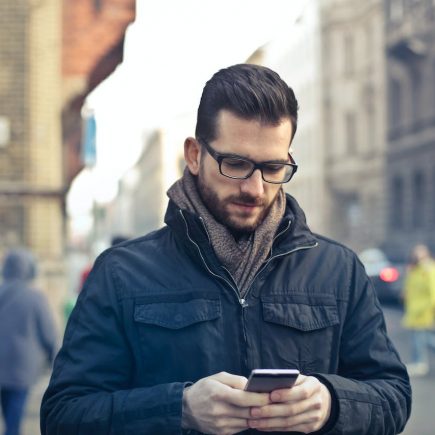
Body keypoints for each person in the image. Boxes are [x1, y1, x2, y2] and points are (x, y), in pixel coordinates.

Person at [40, 64, 411, 434]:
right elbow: (63, 416)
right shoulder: (120, 273)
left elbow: (394, 396)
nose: (255, 187)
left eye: (273, 167)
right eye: (235, 164)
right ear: (194, 154)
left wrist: (332, 403)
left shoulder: (339, 269)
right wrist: (179, 408)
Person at [0, 248, 57, 435]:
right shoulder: (35, 298)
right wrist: (54, 358)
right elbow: (48, 332)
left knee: (7, 407)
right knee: (15, 412)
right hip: (21, 366)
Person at [402, 244, 435, 376]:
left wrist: (431, 308)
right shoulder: (415, 269)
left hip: (423, 309)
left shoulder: (428, 269)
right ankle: (419, 362)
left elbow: (433, 291)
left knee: (420, 338)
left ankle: (419, 363)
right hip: (414, 309)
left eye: (419, 253)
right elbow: (410, 287)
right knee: (421, 337)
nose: (416, 255)